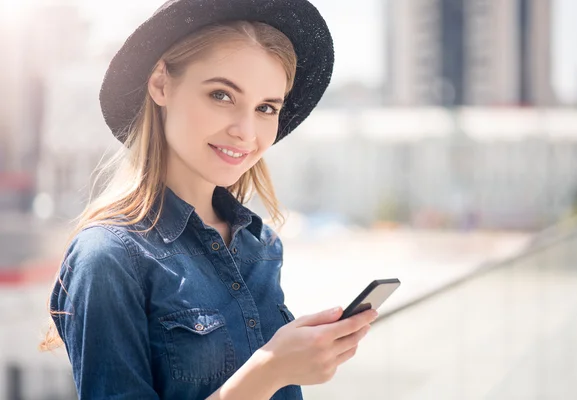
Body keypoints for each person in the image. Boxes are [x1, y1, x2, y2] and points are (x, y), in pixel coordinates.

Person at [39, 1, 378, 399]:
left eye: (266, 108)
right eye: (221, 95)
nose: (246, 131)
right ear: (161, 84)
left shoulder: (260, 244)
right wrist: (269, 372)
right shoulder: (108, 257)